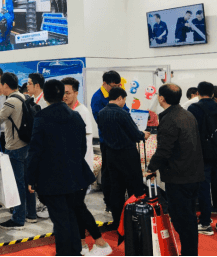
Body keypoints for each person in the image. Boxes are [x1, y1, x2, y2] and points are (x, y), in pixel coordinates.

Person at [27, 79, 97, 256]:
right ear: (61, 95)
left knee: (60, 221)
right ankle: (75, 251)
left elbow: (35, 151)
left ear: (46, 96)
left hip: (51, 178)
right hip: (75, 175)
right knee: (71, 216)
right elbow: (82, 147)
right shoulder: (75, 116)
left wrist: (31, 178)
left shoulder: (41, 117)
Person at [146, 84, 204, 256]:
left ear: (161, 98)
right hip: (193, 173)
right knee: (189, 218)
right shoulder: (187, 114)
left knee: (181, 219)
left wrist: (151, 168)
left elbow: (164, 150)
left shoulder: (170, 119)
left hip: (179, 176)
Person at [61, 77, 111, 256]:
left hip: (80, 169)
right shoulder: (68, 110)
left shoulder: (81, 112)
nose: (64, 96)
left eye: (68, 93)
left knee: (78, 207)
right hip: (72, 169)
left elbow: (84, 147)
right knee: (76, 207)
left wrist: (81, 171)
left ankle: (100, 242)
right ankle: (81, 243)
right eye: (62, 93)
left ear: (76, 93)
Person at [97, 87, 150, 228]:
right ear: (120, 98)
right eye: (124, 100)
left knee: (116, 189)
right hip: (127, 155)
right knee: (134, 187)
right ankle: (134, 221)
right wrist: (143, 134)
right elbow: (135, 134)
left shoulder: (101, 113)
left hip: (110, 154)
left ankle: (118, 222)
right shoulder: (123, 113)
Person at [188, 81, 217, 236]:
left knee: (204, 188)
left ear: (197, 93)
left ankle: (205, 223)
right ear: (213, 93)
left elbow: (192, 132)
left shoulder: (194, 108)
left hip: (202, 153)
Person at [0, 72, 37, 230]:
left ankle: (18, 218)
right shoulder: (24, 97)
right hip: (26, 144)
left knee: (18, 184)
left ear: (5, 85)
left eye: (1, 84)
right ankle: (31, 214)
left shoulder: (10, 101)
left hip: (15, 147)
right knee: (27, 181)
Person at [91, 70, 125, 213]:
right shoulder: (97, 98)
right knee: (108, 172)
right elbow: (101, 120)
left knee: (120, 171)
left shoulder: (117, 94)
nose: (116, 88)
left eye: (118, 85)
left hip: (121, 140)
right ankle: (109, 202)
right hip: (107, 141)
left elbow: (126, 111)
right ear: (105, 83)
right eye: (113, 85)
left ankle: (120, 201)